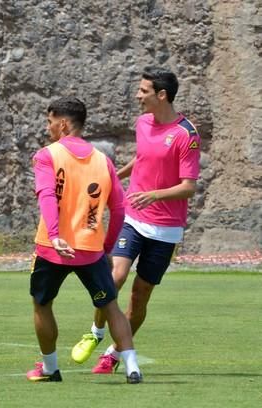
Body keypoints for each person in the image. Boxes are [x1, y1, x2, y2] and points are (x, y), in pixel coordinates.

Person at [71, 67, 201, 374]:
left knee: (140, 296)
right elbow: (143, 158)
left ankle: (115, 353)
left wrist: (154, 195)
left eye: (143, 91)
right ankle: (96, 332)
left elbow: (189, 186)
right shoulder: (142, 123)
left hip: (166, 229)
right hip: (135, 218)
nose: (137, 95)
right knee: (114, 277)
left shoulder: (187, 135)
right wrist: (115, 176)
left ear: (161, 95)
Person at [26, 97, 142, 384]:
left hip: (53, 250)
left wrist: (54, 236)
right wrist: (107, 246)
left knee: (42, 305)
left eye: (50, 121)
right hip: (91, 249)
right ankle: (132, 367)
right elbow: (119, 208)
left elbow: (48, 196)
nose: (49, 127)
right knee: (110, 306)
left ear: (63, 123)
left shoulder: (47, 155)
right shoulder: (103, 161)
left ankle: (51, 368)